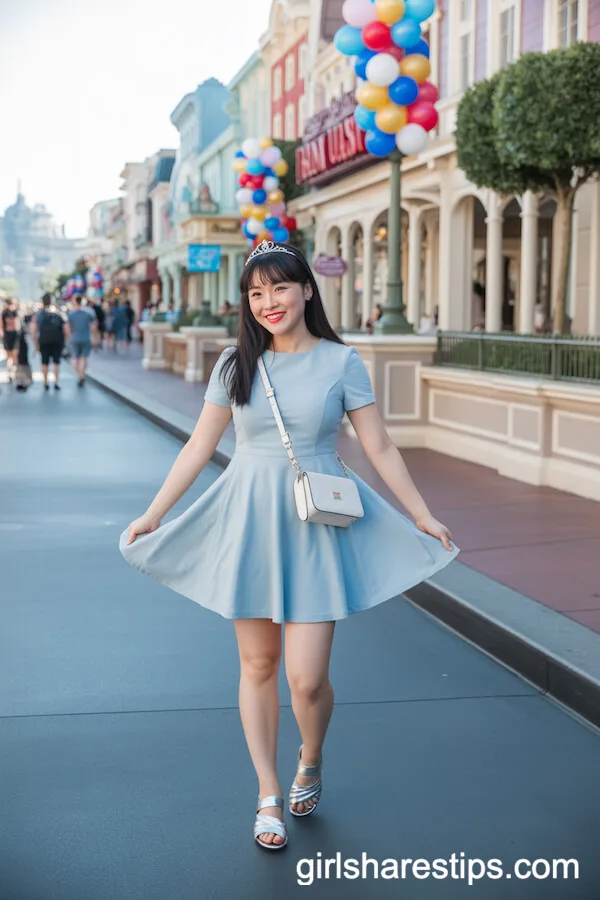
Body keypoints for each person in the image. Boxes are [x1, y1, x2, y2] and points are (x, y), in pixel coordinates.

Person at [120, 242, 459, 852]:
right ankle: (267, 793)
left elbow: (379, 447)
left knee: (306, 680)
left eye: (279, 288)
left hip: (315, 521)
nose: (267, 303)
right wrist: (153, 514)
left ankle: (311, 753)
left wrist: (422, 513)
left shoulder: (341, 362)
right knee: (257, 665)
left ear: (306, 290)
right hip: (247, 518)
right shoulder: (235, 364)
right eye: (256, 293)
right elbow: (198, 448)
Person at [30, 293, 70, 391]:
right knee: (56, 362)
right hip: (57, 341)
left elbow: (33, 329)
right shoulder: (59, 313)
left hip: (44, 341)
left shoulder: (39, 314)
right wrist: (67, 342)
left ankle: (45, 382)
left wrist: (35, 343)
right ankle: (55, 382)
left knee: (44, 362)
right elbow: (66, 328)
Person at [68, 295, 97, 386]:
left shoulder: (71, 314)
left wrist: (69, 338)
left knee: (74, 358)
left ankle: (80, 375)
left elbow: (67, 328)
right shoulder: (88, 313)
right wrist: (94, 337)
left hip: (74, 338)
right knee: (83, 358)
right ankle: (82, 375)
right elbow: (93, 327)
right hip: (86, 338)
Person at [1, 298, 21, 382]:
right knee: (14, 357)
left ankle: (10, 374)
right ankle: (12, 373)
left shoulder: (3, 314)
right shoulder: (15, 313)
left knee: (10, 357)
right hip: (13, 335)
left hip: (7, 335)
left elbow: (1, 327)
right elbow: (17, 325)